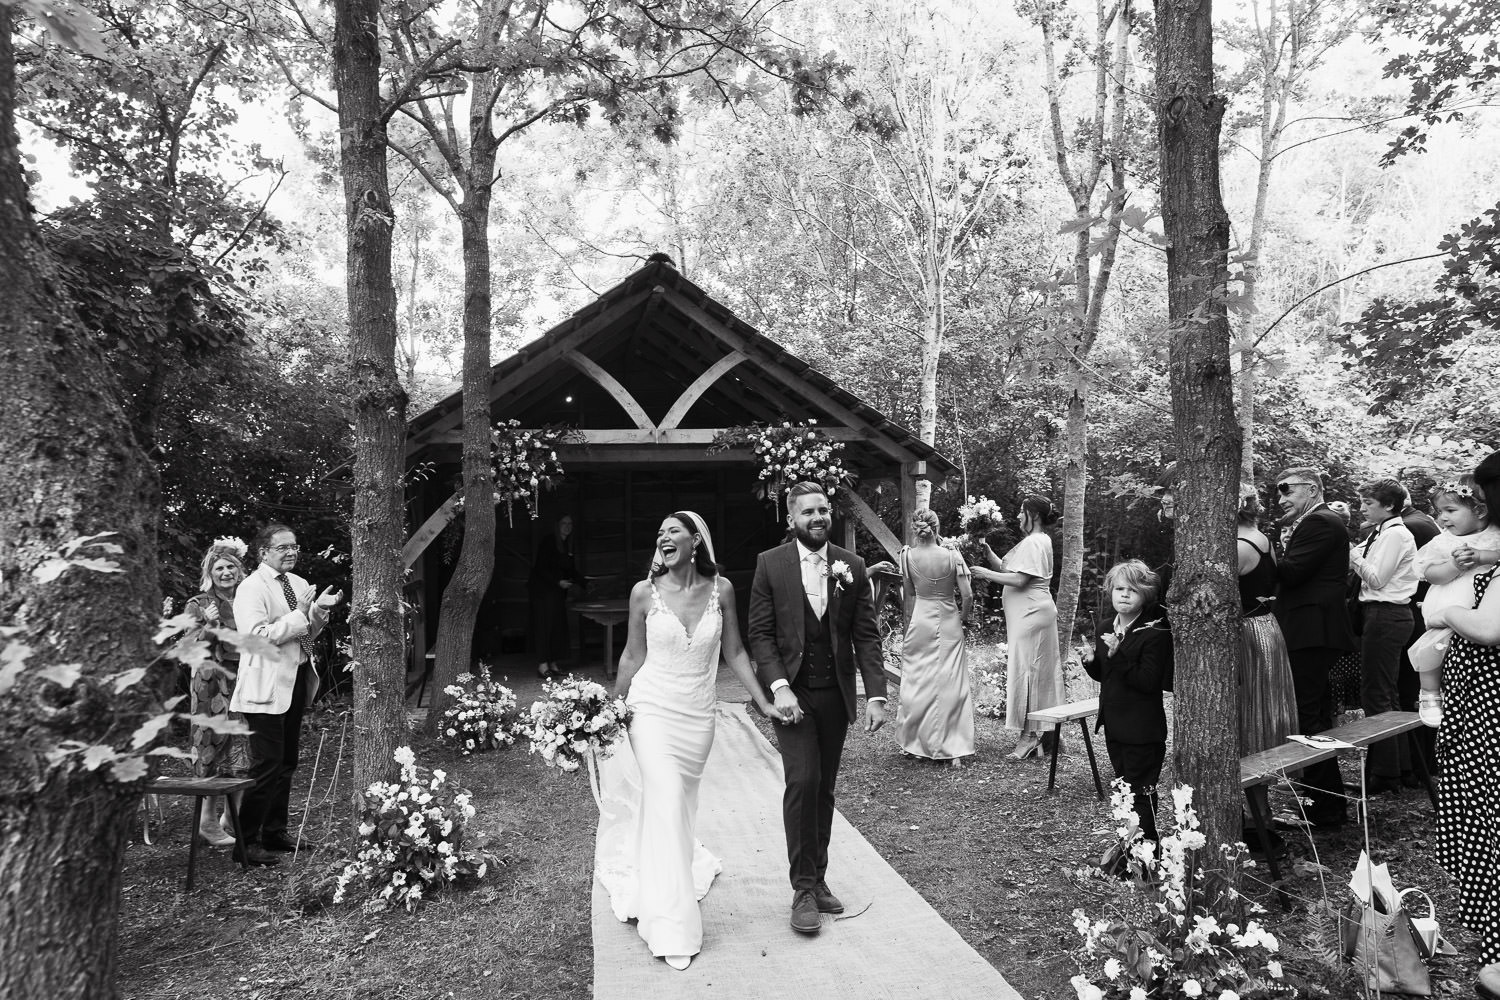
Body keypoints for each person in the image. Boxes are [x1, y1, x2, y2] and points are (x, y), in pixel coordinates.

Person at [599, 512, 780, 971]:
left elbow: (735, 651)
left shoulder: (722, 590)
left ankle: (659, 878)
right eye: (658, 532)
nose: (663, 537)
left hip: (698, 717)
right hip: (652, 710)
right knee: (664, 798)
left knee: (680, 808)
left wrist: (763, 701)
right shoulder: (644, 594)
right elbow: (632, 654)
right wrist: (606, 707)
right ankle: (671, 924)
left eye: (672, 530)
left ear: (696, 541)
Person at [748, 482, 888, 936]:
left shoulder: (852, 565)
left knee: (824, 788)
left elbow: (866, 635)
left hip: (835, 694)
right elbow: (762, 635)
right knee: (802, 781)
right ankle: (802, 889)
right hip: (794, 692)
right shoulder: (770, 564)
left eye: (823, 510)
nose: (817, 517)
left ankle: (819, 878)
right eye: (807, 511)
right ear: (792, 519)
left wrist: (877, 693)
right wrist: (779, 687)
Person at [1425, 450, 1500, 1000]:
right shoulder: (1476, 549)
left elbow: (1489, 627)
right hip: (1474, 699)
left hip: (1487, 709)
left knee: (1486, 814)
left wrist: (1445, 615)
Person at [230, 523, 343, 867]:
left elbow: (307, 631)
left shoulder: (298, 584)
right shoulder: (250, 588)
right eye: (283, 547)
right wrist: (299, 615)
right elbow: (256, 636)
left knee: (287, 762)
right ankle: (244, 843)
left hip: (294, 679)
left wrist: (320, 610)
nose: (292, 552)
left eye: (294, 546)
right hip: (263, 686)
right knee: (266, 764)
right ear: (263, 552)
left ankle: (274, 833)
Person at [1272, 468, 1356, 829]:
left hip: (1311, 630)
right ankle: (1323, 799)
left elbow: (1291, 573)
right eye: (1278, 493)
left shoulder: (1321, 522)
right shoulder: (1318, 520)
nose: (1281, 499)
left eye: (1287, 490)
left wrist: (1265, 549)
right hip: (1313, 628)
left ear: (1312, 489)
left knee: (1309, 715)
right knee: (1315, 712)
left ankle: (1328, 807)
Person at [1081, 560, 1172, 844]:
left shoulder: (1153, 632)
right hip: (1115, 725)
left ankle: (1147, 857)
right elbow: (1107, 676)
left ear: (1145, 594)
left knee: (1141, 794)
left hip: (1142, 729)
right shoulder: (1107, 626)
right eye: (1119, 588)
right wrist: (1091, 662)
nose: (1124, 595)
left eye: (1132, 590)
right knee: (1124, 790)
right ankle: (1130, 851)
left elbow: (1147, 682)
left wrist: (1117, 654)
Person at [972, 495, 1064, 761]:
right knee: (1027, 670)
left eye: (1022, 512)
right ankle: (1033, 735)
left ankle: (1030, 737)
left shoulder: (1036, 541)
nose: (1018, 516)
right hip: (1028, 613)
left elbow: (1020, 579)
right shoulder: (1036, 541)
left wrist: (984, 573)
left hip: (1032, 613)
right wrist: (989, 555)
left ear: (1033, 515)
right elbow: (1008, 568)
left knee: (1029, 672)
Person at [1347, 478, 1419, 793]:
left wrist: (1354, 557)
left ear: (1388, 505)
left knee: (1376, 693)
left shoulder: (1396, 535)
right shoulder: (1382, 532)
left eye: (1368, 503)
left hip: (1386, 614)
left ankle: (1385, 772)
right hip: (1385, 615)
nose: (1362, 508)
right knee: (1387, 693)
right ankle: (1400, 769)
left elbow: (1376, 579)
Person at [1412, 474, 1500, 726]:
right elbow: (1431, 574)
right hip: (1449, 601)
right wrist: (1453, 565)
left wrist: (1483, 555)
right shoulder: (1442, 542)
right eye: (1440, 512)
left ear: (1481, 510)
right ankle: (1429, 692)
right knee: (1432, 647)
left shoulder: (1495, 535)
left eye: (1450, 510)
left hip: (1483, 608)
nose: (1443, 518)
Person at [1235, 493, 1297, 855]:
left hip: (1248, 635)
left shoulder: (1239, 546)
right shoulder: (1262, 539)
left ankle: (1255, 819)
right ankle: (1259, 814)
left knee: (1250, 723)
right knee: (1258, 719)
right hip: (1266, 629)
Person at [184, 538, 250, 848]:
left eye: (231, 567)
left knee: (243, 747)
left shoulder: (249, 599)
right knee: (212, 747)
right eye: (219, 567)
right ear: (210, 572)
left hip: (244, 681)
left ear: (240, 570)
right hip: (211, 687)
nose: (226, 572)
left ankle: (231, 817)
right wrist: (207, 625)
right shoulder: (198, 603)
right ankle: (207, 821)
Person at [894, 509, 975, 762]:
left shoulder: (907, 555)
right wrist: (963, 620)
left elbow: (909, 593)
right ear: (936, 528)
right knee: (951, 682)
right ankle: (953, 747)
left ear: (916, 529)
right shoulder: (952, 555)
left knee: (919, 680)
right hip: (949, 621)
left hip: (922, 620)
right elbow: (968, 595)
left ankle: (917, 744)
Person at [530, 514, 583, 677]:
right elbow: (541, 568)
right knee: (545, 628)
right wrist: (557, 582)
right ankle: (543, 666)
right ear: (557, 525)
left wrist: (584, 582)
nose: (567, 526)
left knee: (556, 628)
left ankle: (553, 664)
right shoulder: (549, 542)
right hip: (544, 592)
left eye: (570, 523)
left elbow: (571, 570)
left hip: (558, 593)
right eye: (564, 523)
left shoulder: (567, 544)